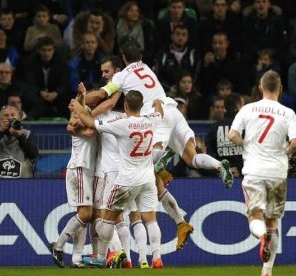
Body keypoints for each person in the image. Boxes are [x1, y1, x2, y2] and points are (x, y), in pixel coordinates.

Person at [84, 40, 233, 251]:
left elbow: (103, 97)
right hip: (172, 110)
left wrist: (82, 104)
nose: (105, 74)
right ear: (140, 57)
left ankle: (160, 159)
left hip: (154, 119)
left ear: (123, 60)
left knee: (150, 164)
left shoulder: (122, 76)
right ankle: (217, 166)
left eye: (106, 71)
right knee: (191, 158)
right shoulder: (146, 68)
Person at [70, 90, 165, 269]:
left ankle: (100, 257)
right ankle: (157, 258)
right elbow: (160, 112)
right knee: (151, 219)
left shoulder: (122, 123)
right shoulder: (151, 119)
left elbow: (90, 122)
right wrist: (158, 101)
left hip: (127, 180)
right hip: (147, 179)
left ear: (126, 106)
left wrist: (77, 107)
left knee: (106, 218)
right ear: (141, 104)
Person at [228, 70, 296, 276]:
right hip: (277, 172)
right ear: (281, 89)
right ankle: (267, 271)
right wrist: (284, 154)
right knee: (273, 222)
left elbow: (232, 135)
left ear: (260, 88)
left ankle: (262, 237)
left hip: (254, 170)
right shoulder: (288, 113)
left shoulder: (247, 109)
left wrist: (246, 145)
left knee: (255, 216)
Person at [50, 90, 97, 269]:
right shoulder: (83, 114)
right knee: (85, 214)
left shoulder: (87, 113)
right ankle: (58, 245)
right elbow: (87, 131)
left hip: (87, 169)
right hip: (79, 167)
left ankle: (76, 259)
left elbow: (73, 125)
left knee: (83, 215)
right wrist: (80, 104)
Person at [0, 105, 39, 178]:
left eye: (13, 115)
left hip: (23, 182)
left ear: (19, 119)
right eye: (6, 115)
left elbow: (34, 154)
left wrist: (20, 136)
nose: (10, 118)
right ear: (0, 120)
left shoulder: (27, 134)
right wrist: (0, 131)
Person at [206, 93, 244, 177]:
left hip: (221, 178)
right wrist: (240, 170)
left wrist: (225, 170)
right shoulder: (245, 126)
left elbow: (210, 156)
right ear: (237, 107)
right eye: (242, 105)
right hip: (243, 177)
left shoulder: (215, 127)